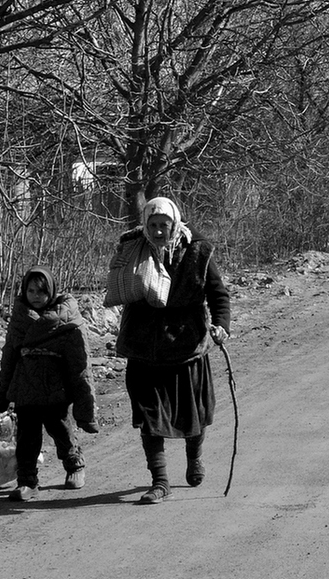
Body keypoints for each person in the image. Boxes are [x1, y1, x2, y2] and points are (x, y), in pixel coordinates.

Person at [111, 197, 231, 504]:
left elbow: (217, 294)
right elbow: (117, 281)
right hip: (144, 347)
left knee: (195, 414)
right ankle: (160, 481)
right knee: (150, 416)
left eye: (164, 225)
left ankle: (194, 457)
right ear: (146, 225)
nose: (159, 231)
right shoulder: (132, 248)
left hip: (186, 345)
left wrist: (221, 325)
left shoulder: (197, 250)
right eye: (153, 225)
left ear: (174, 224)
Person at [0, 266, 98, 501]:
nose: (36, 296)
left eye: (41, 291)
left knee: (61, 430)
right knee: (27, 438)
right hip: (25, 387)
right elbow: (9, 356)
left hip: (55, 388)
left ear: (52, 291)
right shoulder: (19, 318)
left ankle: (74, 465)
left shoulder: (67, 319)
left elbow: (79, 365)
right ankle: (27, 481)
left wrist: (85, 405)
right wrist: (2, 393)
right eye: (31, 290)